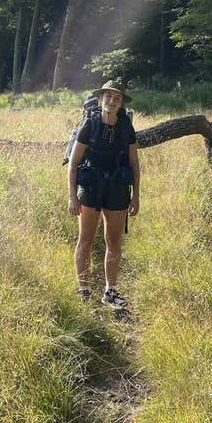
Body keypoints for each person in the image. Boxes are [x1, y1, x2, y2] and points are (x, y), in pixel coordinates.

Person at [67, 80, 140, 309]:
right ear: (100, 100)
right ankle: (84, 290)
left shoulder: (126, 127)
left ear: (121, 103)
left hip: (117, 188)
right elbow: (74, 162)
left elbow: (134, 164)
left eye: (116, 98)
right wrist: (72, 195)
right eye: (108, 97)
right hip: (90, 187)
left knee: (114, 242)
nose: (111, 101)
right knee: (85, 240)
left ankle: (109, 292)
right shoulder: (89, 124)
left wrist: (136, 196)